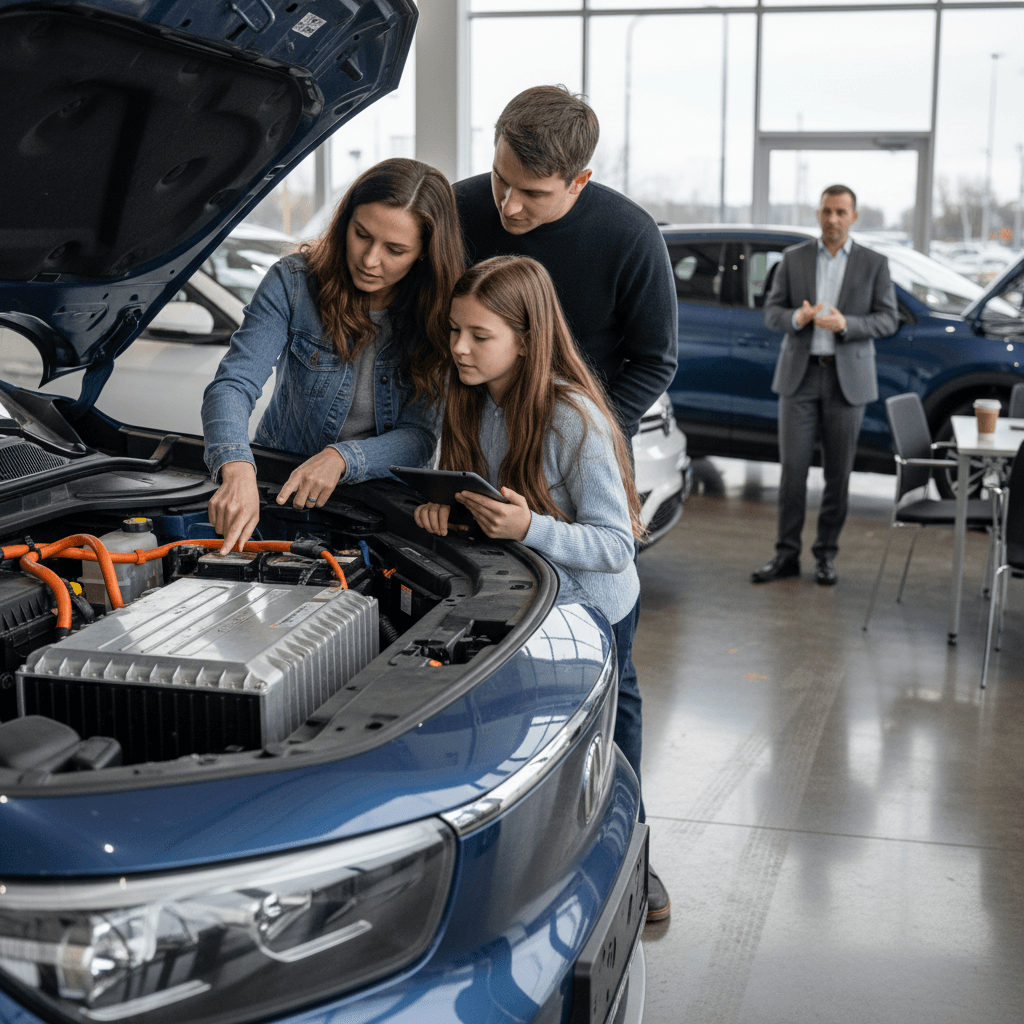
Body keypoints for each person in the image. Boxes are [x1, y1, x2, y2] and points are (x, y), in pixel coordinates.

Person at [454, 85, 676, 922]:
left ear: (578, 182)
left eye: (533, 194)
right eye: (501, 179)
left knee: (613, 705)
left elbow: (655, 359)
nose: (507, 205)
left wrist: (576, 437)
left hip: (578, 459)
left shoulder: (628, 236)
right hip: (495, 469)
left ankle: (636, 853)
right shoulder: (465, 205)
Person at [414, 252, 643, 794]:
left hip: (599, 609)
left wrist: (528, 528)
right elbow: (474, 490)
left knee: (609, 742)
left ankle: (634, 835)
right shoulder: (467, 397)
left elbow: (616, 546)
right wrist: (443, 507)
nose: (459, 348)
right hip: (535, 602)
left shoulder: (573, 417)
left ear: (526, 338)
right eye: (454, 330)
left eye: (479, 335)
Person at [201, 158, 464, 553]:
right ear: (346, 223)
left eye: (395, 250)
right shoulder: (292, 282)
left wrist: (341, 458)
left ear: (425, 253)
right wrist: (236, 467)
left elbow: (419, 436)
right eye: (361, 234)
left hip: (381, 508)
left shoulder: (440, 314)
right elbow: (233, 384)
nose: (370, 259)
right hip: (284, 493)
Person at [752, 185, 898, 586]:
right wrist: (796, 320)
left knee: (838, 474)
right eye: (827, 211)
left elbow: (888, 320)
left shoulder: (874, 263)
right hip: (799, 377)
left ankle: (826, 555)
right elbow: (771, 313)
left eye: (840, 212)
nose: (832, 219)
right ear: (818, 214)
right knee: (792, 474)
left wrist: (847, 324)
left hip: (845, 379)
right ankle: (785, 555)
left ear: (853, 217)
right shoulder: (794, 259)